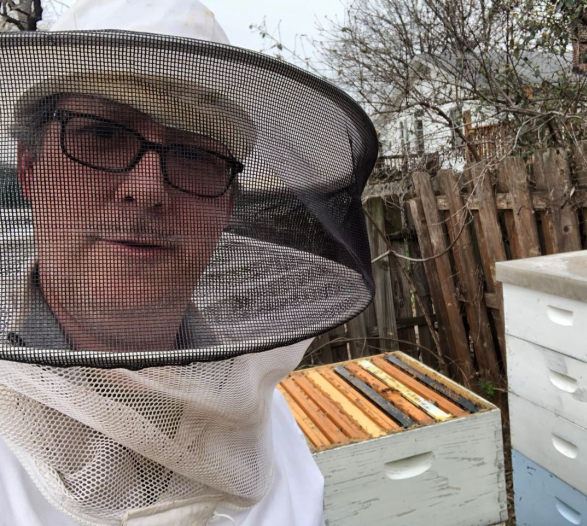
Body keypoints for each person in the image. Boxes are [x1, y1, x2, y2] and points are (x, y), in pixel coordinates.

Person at [0, 0, 377, 525]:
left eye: (194, 154)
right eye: (103, 136)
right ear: (31, 168)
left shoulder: (259, 414)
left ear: (226, 205)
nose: (147, 189)